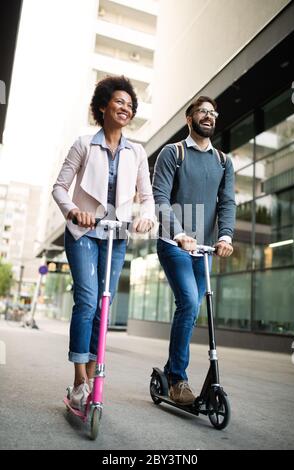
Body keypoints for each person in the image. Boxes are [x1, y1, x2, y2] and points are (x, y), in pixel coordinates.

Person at [52, 75, 155, 410]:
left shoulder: (137, 152)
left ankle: (95, 375)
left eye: (129, 104)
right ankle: (80, 380)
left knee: (104, 306)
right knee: (87, 299)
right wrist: (73, 212)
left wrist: (145, 216)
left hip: (116, 235)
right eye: (119, 102)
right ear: (102, 107)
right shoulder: (84, 144)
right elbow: (59, 188)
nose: (125, 107)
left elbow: (148, 197)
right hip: (83, 233)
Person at [152, 96, 236, 405]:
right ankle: (177, 378)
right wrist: (179, 233)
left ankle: (172, 369)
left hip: (203, 250)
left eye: (213, 113)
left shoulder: (223, 161)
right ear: (190, 118)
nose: (209, 117)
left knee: (194, 308)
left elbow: (227, 202)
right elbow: (160, 197)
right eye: (203, 112)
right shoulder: (173, 153)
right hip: (174, 244)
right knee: (188, 301)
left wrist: (225, 236)